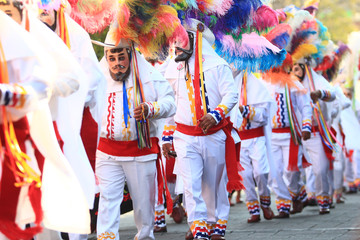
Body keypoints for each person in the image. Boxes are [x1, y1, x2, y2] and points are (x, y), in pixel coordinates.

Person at [94, 28, 176, 240]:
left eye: (121, 57)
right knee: (108, 199)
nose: (116, 64)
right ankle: (107, 237)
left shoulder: (149, 76)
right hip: (107, 151)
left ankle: (145, 236)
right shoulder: (98, 78)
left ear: (131, 55)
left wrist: (151, 109)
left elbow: (170, 103)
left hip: (140, 151)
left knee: (143, 204)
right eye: (111, 58)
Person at [163, 19, 240, 240]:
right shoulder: (173, 68)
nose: (178, 44)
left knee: (214, 184)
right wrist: (166, 138)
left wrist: (215, 114)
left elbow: (231, 95)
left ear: (195, 40)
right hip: (185, 137)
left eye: (183, 39)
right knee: (190, 184)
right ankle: (200, 230)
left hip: (214, 136)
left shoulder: (218, 65)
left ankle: (216, 224)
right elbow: (171, 104)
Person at [293, 60, 337, 214]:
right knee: (291, 170)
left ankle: (323, 200)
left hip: (316, 133)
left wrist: (319, 94)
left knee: (320, 169)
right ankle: (300, 198)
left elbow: (332, 94)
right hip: (295, 135)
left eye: (297, 67)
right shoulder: (289, 83)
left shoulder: (317, 80)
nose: (295, 71)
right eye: (292, 68)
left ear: (305, 66)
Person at [235, 71, 275, 223]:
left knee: (260, 172)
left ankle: (265, 203)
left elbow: (263, 116)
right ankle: (253, 210)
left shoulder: (257, 86)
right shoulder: (228, 84)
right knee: (245, 176)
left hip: (256, 137)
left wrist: (244, 110)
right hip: (240, 138)